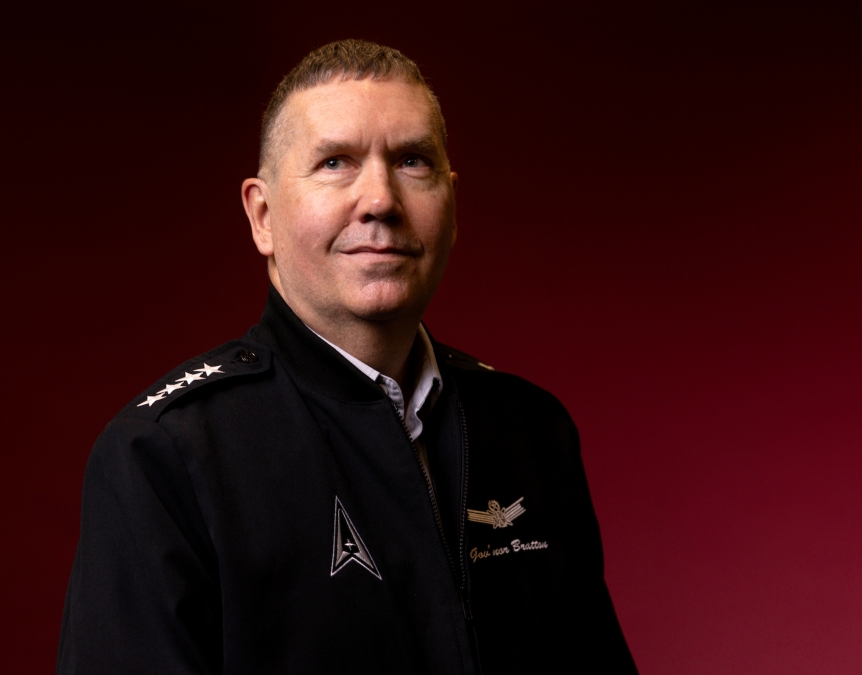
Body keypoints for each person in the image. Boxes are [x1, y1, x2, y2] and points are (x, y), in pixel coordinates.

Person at [56, 39, 637, 674]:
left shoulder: (530, 431)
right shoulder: (169, 456)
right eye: (335, 162)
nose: (381, 200)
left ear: (451, 199)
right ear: (263, 216)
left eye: (412, 161)